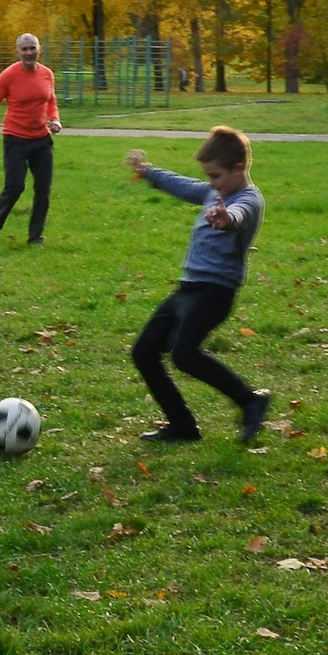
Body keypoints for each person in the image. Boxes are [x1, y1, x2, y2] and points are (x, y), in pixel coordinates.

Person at [125, 127, 271, 444]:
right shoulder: (213, 191)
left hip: (215, 292)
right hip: (188, 289)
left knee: (184, 354)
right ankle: (182, 426)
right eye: (208, 177)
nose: (211, 183)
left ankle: (250, 400)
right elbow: (183, 185)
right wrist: (148, 171)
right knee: (144, 352)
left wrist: (226, 218)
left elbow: (240, 214)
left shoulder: (247, 199)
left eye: (216, 176)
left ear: (239, 168)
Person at [0, 33, 61, 245]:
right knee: (15, 187)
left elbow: (51, 101)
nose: (29, 53)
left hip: (41, 140)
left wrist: (55, 120)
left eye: (32, 48)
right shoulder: (8, 76)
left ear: (39, 49)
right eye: (24, 49)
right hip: (16, 139)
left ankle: (35, 237)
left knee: (43, 188)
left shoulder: (47, 74)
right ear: (18, 52)